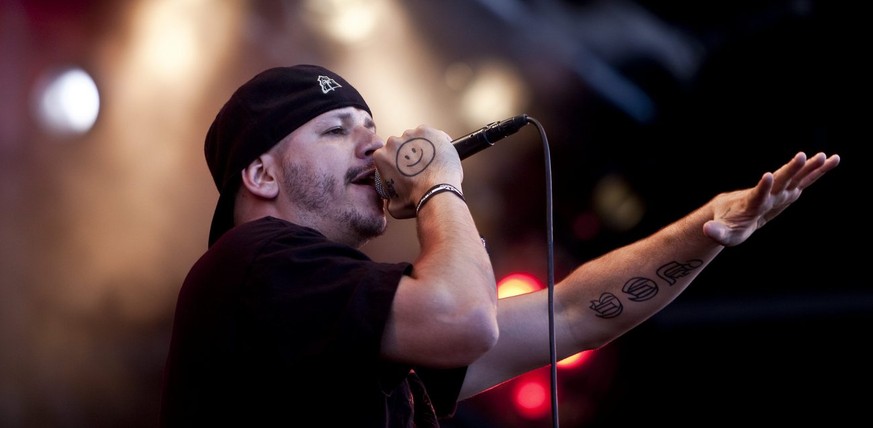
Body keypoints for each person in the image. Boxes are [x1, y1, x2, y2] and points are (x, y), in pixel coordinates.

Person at [159, 64, 840, 427]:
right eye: (338, 130)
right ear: (261, 173)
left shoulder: (329, 309)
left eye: (371, 124)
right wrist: (436, 188)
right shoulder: (252, 266)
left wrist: (705, 228)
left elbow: (571, 315)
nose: (373, 143)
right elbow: (466, 319)